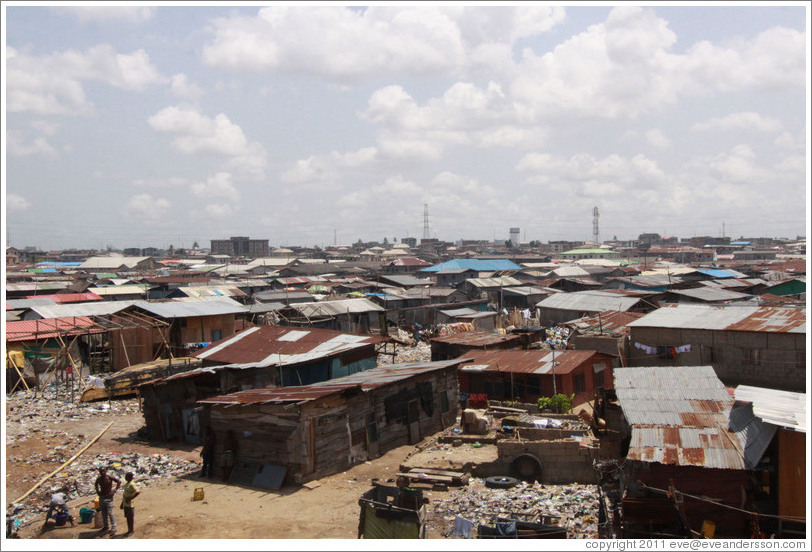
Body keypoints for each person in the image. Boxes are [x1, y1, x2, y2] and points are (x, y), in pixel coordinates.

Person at [94, 466, 121, 534]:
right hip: (102, 497)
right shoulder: (99, 479)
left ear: (105, 471)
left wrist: (114, 490)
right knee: (103, 513)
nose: (102, 473)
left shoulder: (109, 477)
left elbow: (119, 482)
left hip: (109, 497)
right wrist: (98, 491)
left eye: (103, 471)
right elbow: (96, 484)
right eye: (101, 472)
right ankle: (106, 526)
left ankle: (114, 527)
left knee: (110, 513)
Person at [120, 472, 140, 536]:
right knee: (128, 518)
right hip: (126, 504)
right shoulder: (127, 484)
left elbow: (137, 492)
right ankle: (129, 530)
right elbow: (125, 495)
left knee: (130, 518)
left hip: (130, 505)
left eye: (126, 476)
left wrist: (130, 498)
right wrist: (122, 503)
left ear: (130, 477)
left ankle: (131, 531)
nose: (125, 478)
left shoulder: (132, 484)